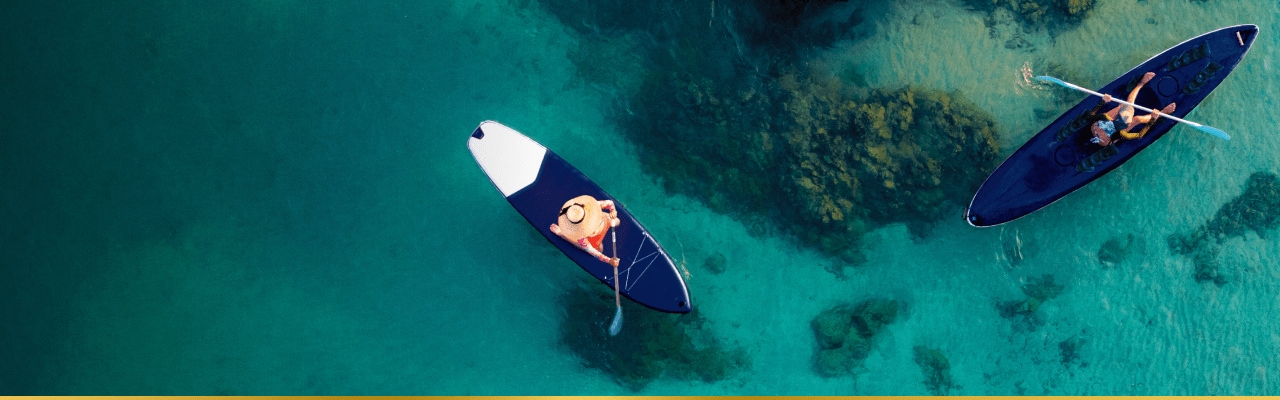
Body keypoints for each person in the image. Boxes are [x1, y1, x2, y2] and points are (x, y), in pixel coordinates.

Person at [1084, 72, 1178, 147]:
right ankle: (1161, 113)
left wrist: (1103, 101)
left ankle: (1140, 84)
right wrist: (1153, 118)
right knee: (1137, 119)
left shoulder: (1106, 119)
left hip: (1100, 130)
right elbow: (1140, 135)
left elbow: (1089, 117)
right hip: (1104, 137)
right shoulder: (1117, 129)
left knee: (1127, 105)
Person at [550, 195, 621, 267]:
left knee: (617, 221)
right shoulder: (580, 237)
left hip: (604, 219)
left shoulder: (592, 206)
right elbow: (594, 252)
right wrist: (609, 260)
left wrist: (613, 211)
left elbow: (610, 203)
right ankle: (562, 234)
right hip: (594, 237)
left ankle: (611, 220)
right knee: (599, 249)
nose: (593, 228)